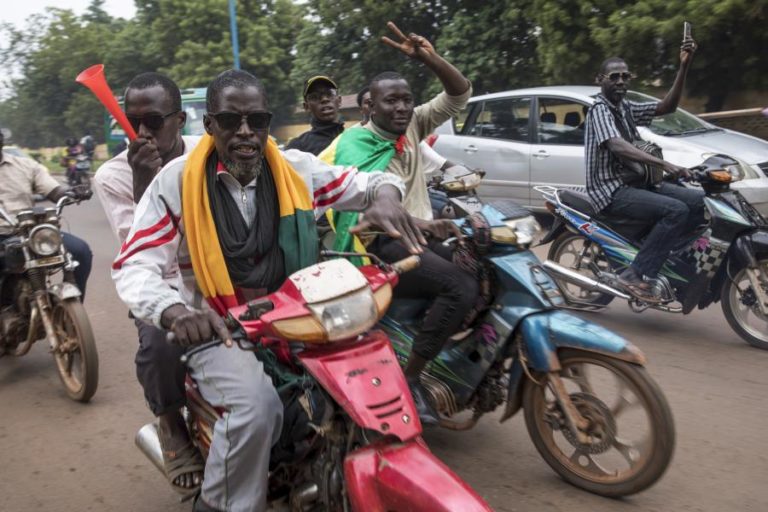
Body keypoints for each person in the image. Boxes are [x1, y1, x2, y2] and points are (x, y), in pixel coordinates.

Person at [112, 69, 426, 512]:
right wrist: (176, 312)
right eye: (230, 120)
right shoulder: (175, 181)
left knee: (369, 376)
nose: (245, 132)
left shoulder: (297, 169)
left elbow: (365, 183)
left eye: (256, 121)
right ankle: (223, 503)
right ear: (209, 125)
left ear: (268, 123)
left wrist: (387, 195)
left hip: (297, 316)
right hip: (219, 326)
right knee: (256, 409)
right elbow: (135, 264)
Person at [321, 22, 477, 425]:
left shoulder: (413, 125)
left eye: (407, 100)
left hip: (419, 235)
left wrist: (430, 59)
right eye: (390, 101)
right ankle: (412, 377)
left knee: (483, 262)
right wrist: (426, 226)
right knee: (460, 286)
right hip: (380, 244)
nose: (401, 107)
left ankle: (449, 352)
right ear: (369, 107)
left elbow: (459, 94)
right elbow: (369, 208)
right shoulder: (354, 143)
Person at [93, 72, 204, 497]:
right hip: (160, 280)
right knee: (159, 343)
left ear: (180, 120)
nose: (141, 133)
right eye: (132, 121)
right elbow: (139, 252)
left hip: (219, 273)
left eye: (154, 121)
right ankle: (170, 423)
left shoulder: (206, 152)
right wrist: (144, 185)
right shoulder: (113, 175)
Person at [585, 35, 703, 302]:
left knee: (696, 200)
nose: (621, 81)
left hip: (635, 184)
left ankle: (666, 259)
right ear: (600, 79)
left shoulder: (625, 107)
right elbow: (617, 145)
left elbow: (667, 107)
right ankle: (635, 273)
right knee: (676, 210)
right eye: (614, 77)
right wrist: (665, 164)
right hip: (611, 190)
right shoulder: (599, 110)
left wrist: (684, 65)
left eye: (625, 77)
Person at [0, 129, 92, 296]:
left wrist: (72, 192)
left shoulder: (26, 166)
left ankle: (72, 307)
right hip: (2, 235)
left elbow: (54, 191)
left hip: (31, 233)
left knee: (80, 251)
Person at [285, 76, 345, 155]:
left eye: (330, 94)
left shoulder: (354, 138)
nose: (324, 99)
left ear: (339, 100)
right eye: (314, 97)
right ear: (306, 107)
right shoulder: (297, 147)